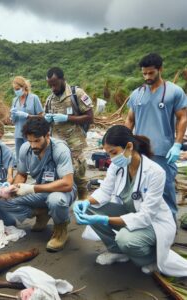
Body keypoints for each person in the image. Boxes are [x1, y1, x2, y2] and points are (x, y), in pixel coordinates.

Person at [73, 125, 187, 276]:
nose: (111, 158)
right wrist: (85, 202)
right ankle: (118, 252)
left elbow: (145, 216)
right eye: (108, 154)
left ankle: (151, 259)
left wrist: (105, 219)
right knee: (88, 208)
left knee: (125, 239)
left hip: (153, 223)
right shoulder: (117, 165)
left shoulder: (155, 172)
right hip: (130, 211)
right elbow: (105, 191)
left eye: (114, 152)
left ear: (129, 146)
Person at [0, 117, 77, 252]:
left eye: (37, 141)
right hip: (40, 190)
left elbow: (67, 184)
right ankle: (42, 213)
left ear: (47, 136)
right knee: (2, 201)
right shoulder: (25, 149)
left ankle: (60, 230)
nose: (33, 145)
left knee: (56, 200)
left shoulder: (60, 150)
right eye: (30, 141)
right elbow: (21, 174)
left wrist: (32, 188)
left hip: (62, 191)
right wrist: (13, 187)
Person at [125, 53, 187, 217]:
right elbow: (130, 120)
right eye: (144, 73)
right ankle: (147, 222)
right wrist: (125, 143)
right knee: (141, 187)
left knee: (166, 190)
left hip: (163, 151)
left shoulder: (174, 92)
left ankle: (170, 224)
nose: (147, 77)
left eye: (151, 73)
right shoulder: (137, 93)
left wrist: (177, 144)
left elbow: (182, 117)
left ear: (160, 69)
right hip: (140, 151)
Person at [44, 67, 94, 199]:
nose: (53, 88)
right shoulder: (50, 99)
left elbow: (90, 117)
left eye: (55, 84)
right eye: (50, 85)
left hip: (75, 143)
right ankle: (62, 201)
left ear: (62, 79)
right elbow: (46, 120)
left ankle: (83, 200)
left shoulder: (77, 94)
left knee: (79, 176)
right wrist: (46, 119)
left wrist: (67, 118)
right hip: (57, 144)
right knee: (59, 174)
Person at [10, 76, 43, 163]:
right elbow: (13, 121)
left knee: (32, 156)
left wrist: (28, 116)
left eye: (18, 88)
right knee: (20, 158)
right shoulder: (15, 101)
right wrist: (12, 116)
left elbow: (41, 117)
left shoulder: (34, 98)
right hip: (18, 134)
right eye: (14, 89)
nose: (16, 91)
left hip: (31, 133)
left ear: (24, 87)